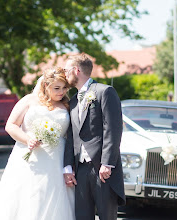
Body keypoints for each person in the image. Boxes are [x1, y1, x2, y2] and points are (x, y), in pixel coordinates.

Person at [0, 67, 75, 220]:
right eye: (57, 88)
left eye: (65, 88)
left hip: (56, 160)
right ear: (46, 85)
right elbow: (11, 125)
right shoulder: (28, 100)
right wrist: (27, 139)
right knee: (28, 196)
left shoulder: (67, 105)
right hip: (30, 158)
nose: (61, 92)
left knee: (54, 198)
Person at [63, 53, 125, 220]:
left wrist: (107, 163)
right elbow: (71, 136)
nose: (64, 74)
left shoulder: (105, 92)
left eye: (66, 70)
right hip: (80, 170)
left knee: (107, 216)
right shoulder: (74, 101)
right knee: (82, 216)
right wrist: (68, 167)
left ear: (76, 70)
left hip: (102, 169)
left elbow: (113, 129)